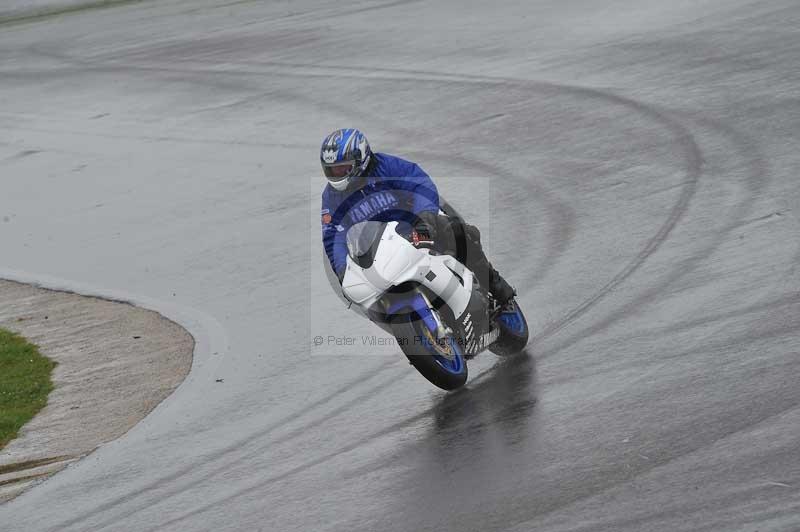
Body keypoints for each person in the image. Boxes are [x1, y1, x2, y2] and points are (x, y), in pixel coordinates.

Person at [320, 128, 515, 307]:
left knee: (459, 233)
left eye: (341, 168)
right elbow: (333, 236)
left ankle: (495, 286)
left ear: (360, 159)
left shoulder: (389, 166)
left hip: (415, 229)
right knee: (363, 295)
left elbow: (420, 185)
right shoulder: (331, 198)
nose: (335, 175)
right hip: (379, 253)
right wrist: (342, 269)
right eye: (331, 170)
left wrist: (425, 217)